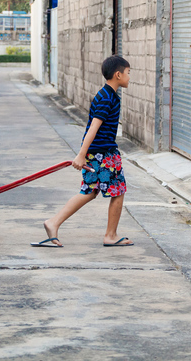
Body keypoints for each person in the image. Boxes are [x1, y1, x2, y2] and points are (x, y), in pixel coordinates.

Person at [32, 55, 134, 248]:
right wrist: (81, 154)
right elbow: (94, 127)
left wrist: (84, 153)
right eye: (128, 73)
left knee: (89, 191)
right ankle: (110, 235)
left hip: (98, 153)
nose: (130, 77)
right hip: (104, 154)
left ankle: (53, 222)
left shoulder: (107, 95)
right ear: (118, 74)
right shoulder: (107, 98)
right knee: (118, 191)